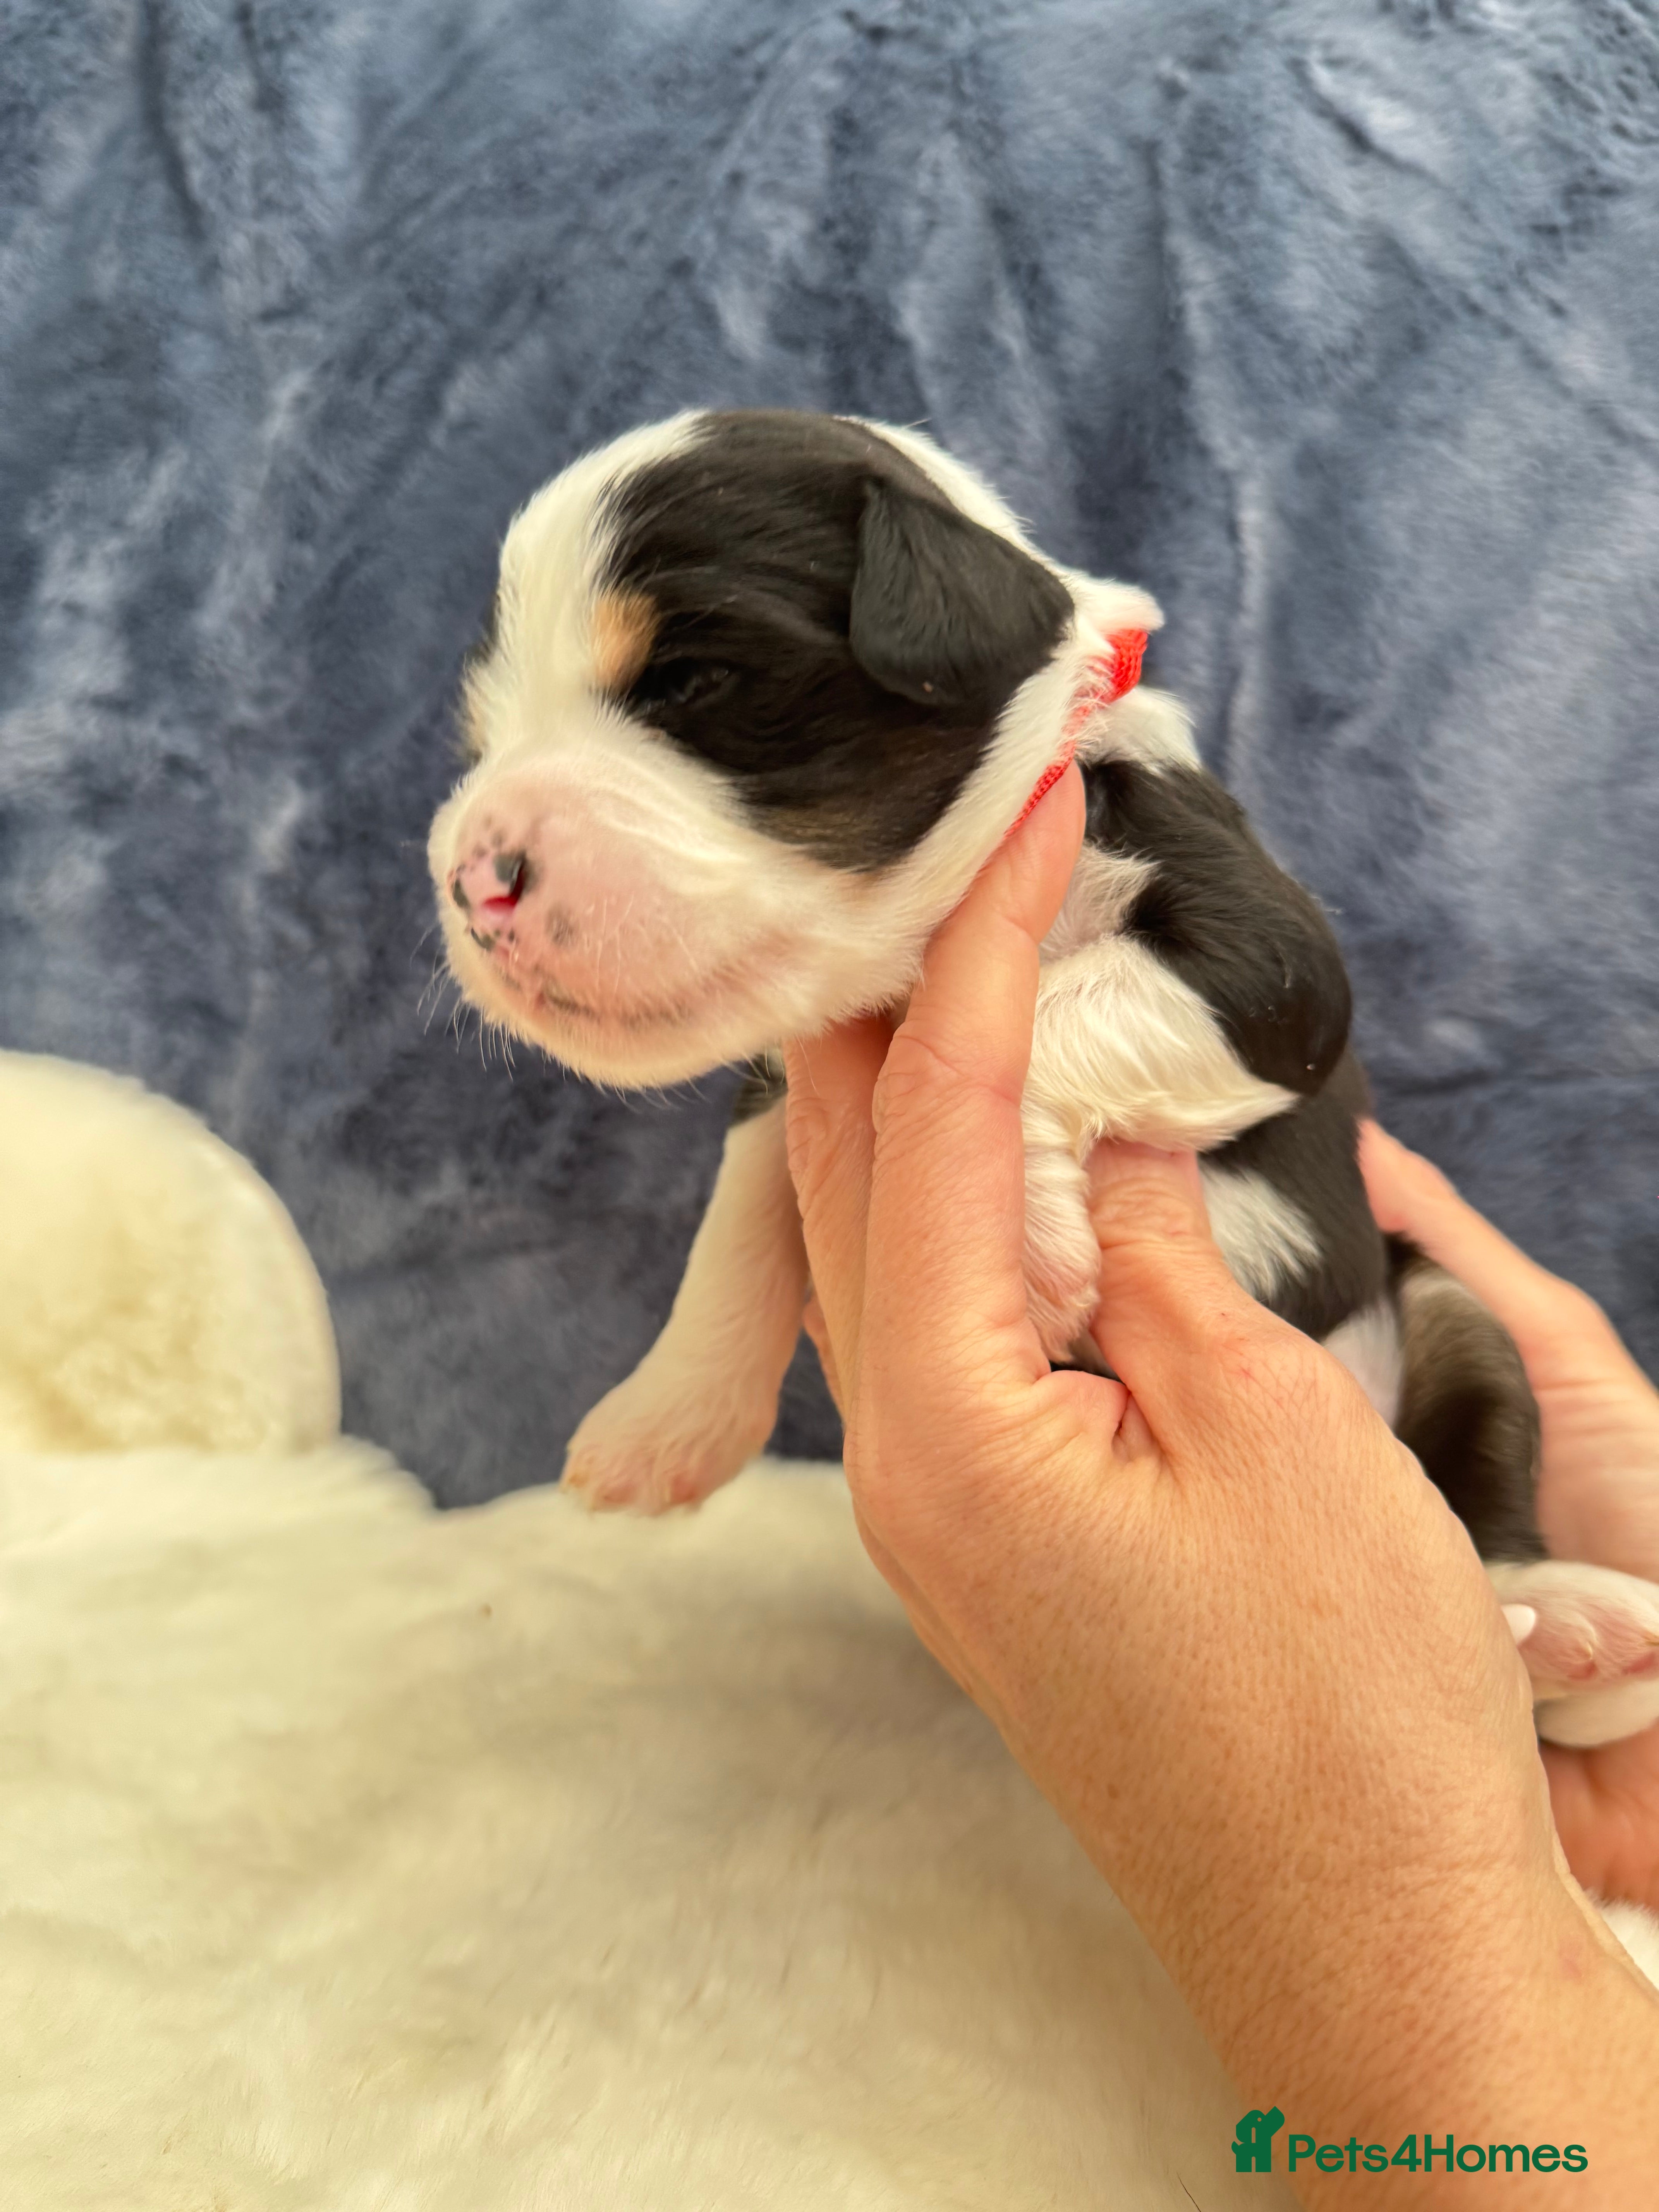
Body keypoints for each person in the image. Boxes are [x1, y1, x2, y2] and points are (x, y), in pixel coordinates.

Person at [781, 766, 1659, 2205]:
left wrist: (1404, 1933)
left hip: (1364, 1407)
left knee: (1452, 1331)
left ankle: (1500, 1568)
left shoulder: (1144, 831)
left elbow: (1273, 993)